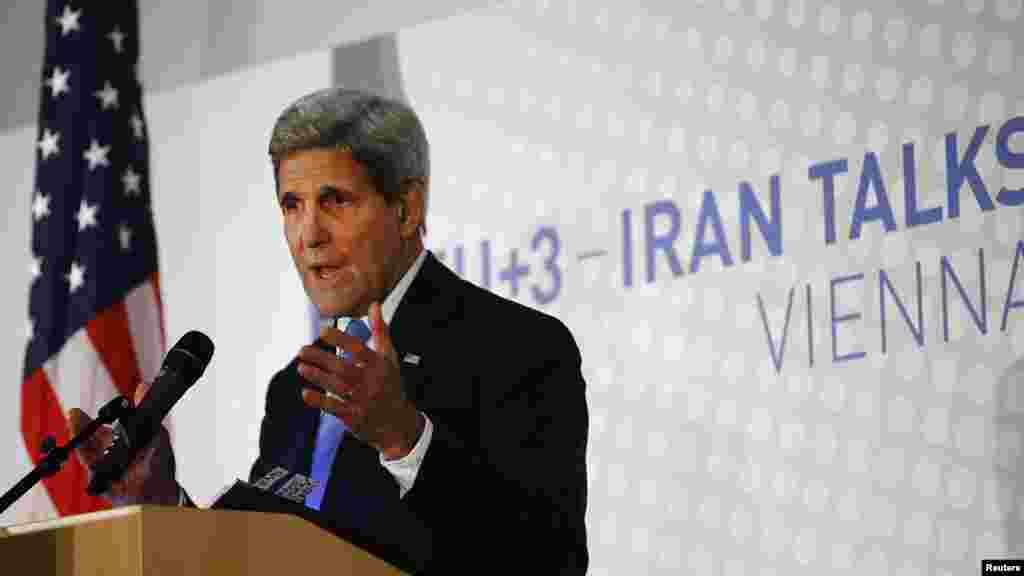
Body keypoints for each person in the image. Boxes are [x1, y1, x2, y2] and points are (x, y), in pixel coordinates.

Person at [70, 87, 589, 573]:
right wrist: (162, 502)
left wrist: (405, 439)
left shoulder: (518, 348)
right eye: (292, 205)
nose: (310, 235)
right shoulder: (294, 389)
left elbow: (549, 561)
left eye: (335, 200)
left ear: (406, 208)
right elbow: (265, 557)